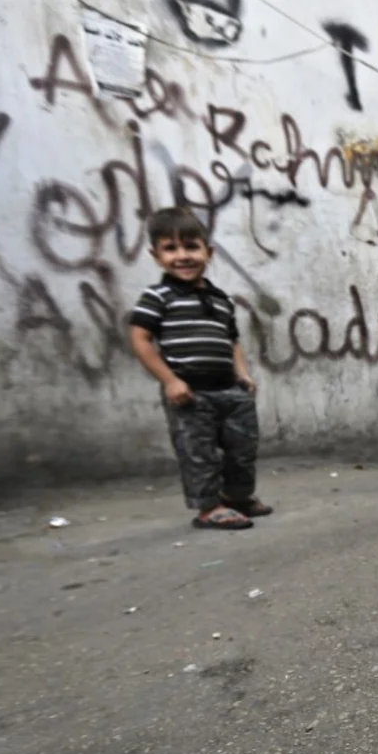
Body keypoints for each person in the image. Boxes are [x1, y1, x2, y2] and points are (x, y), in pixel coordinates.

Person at [128, 207, 271, 531]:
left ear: (208, 252)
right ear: (156, 256)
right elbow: (140, 339)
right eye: (171, 248)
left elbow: (232, 341)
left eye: (191, 247)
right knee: (199, 452)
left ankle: (237, 497)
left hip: (230, 390)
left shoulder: (221, 300)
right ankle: (208, 507)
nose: (183, 256)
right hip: (190, 393)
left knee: (242, 449)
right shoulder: (157, 297)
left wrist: (243, 374)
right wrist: (169, 381)